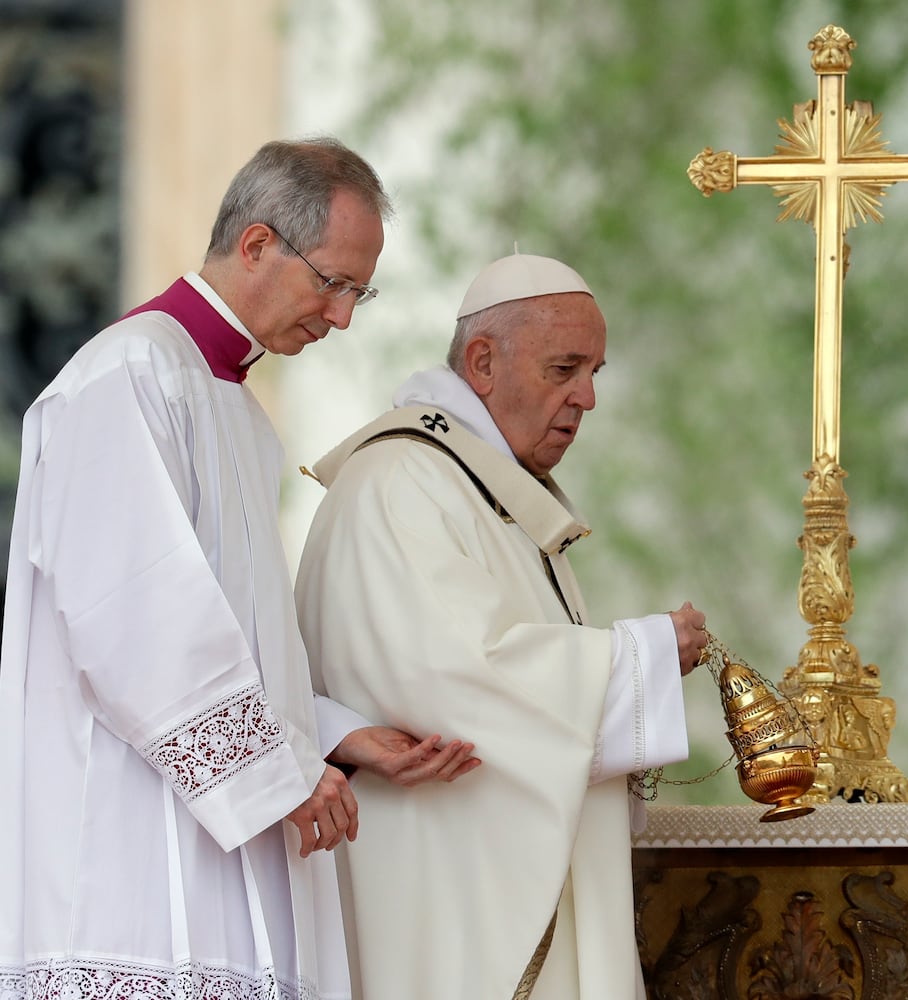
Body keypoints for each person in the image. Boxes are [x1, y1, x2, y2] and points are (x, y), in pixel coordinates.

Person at [0, 137, 480, 1000]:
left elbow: (234, 631)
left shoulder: (235, 409)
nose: (340, 318)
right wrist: (277, 770)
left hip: (218, 834)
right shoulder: (128, 375)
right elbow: (131, 620)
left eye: (358, 293)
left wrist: (328, 733)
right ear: (257, 244)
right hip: (130, 856)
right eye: (332, 283)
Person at [294, 253, 707, 1000]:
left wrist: (630, 663)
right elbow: (456, 688)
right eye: (563, 369)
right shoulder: (402, 483)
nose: (586, 397)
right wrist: (638, 657)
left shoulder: (487, 487)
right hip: (439, 888)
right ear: (481, 361)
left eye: (595, 371)